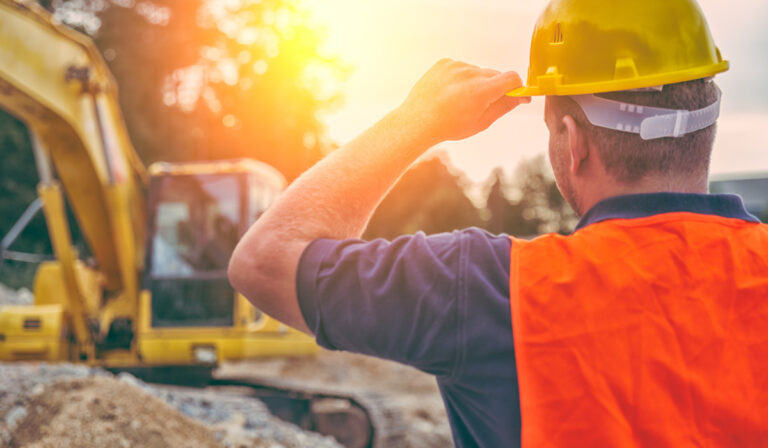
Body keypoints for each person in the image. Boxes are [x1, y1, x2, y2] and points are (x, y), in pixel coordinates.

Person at [228, 0, 768, 446]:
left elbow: (264, 261)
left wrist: (417, 122)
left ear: (573, 144)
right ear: (708, 119)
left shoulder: (491, 289)